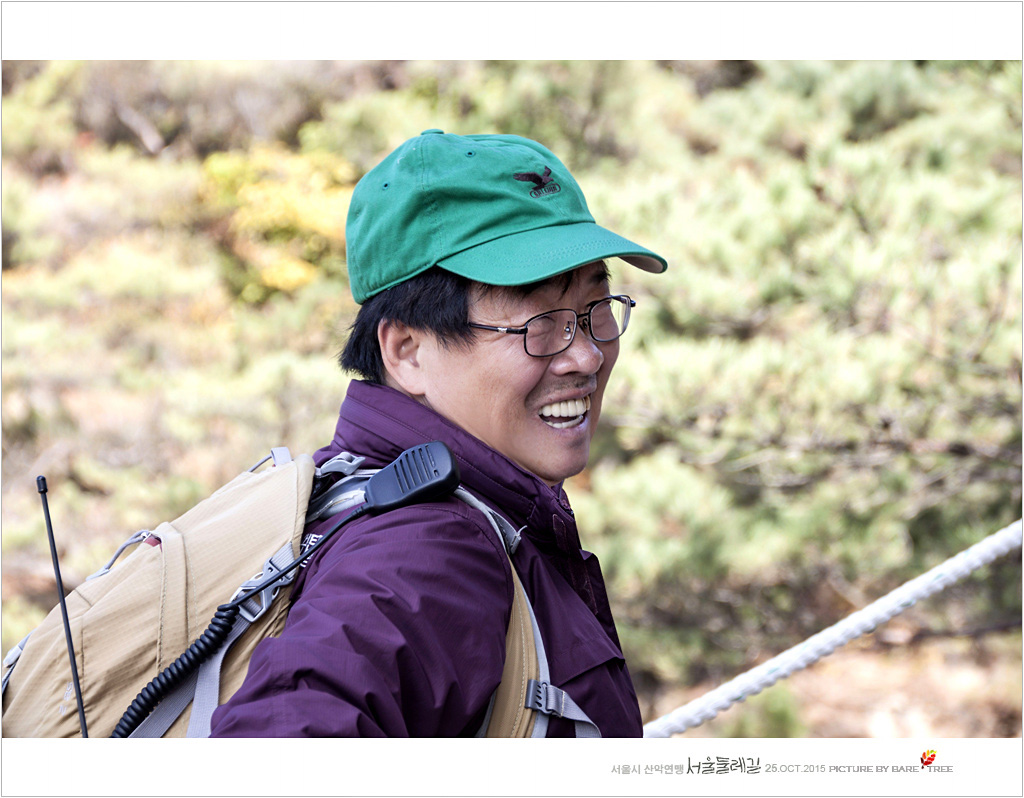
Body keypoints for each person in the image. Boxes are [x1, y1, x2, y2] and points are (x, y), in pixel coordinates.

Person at [209, 130, 667, 737]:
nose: (585, 355)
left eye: (595, 310)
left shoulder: (371, 495)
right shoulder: (427, 552)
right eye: (538, 322)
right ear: (408, 352)